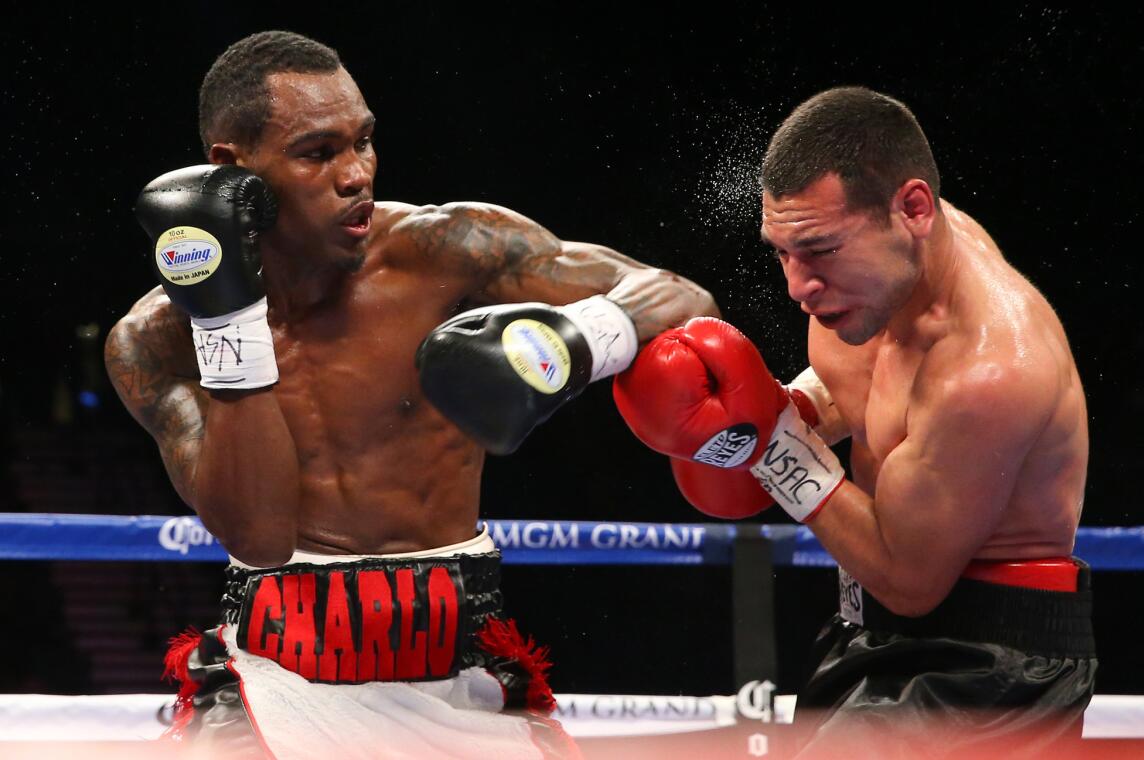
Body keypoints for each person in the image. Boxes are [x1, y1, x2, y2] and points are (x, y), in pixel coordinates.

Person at [104, 30, 717, 759]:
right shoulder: (157, 341)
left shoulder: (443, 252)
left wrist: (576, 341)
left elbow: (681, 297)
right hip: (276, 678)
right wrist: (228, 322)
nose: (356, 173)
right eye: (317, 152)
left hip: (459, 677)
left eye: (363, 142)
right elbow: (261, 538)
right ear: (231, 171)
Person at [612, 86, 1096, 756]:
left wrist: (772, 443)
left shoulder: (988, 371)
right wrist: (792, 408)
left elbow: (908, 579)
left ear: (914, 210)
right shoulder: (882, 277)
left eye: (819, 250)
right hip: (869, 631)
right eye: (780, 251)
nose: (797, 286)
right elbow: (871, 393)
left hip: (989, 672)